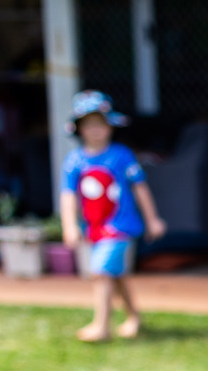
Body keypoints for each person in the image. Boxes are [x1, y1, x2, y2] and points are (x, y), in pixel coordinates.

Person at [57, 91, 165, 342]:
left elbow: (140, 188)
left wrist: (152, 220)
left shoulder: (121, 155)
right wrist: (70, 225)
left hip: (121, 225)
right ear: (79, 128)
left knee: (100, 271)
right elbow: (68, 195)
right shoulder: (74, 161)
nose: (95, 130)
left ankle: (101, 326)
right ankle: (133, 317)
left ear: (110, 126)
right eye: (89, 124)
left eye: (100, 124)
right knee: (116, 275)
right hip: (95, 227)